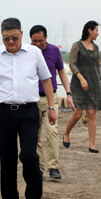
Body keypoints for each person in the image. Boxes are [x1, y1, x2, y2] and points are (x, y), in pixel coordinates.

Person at [0, 18, 55, 199]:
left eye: (14, 37)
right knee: (7, 158)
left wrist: (52, 107)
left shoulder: (34, 53)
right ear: (1, 37)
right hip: (4, 113)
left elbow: (47, 80)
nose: (10, 41)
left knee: (29, 155)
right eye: (6, 38)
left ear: (21, 34)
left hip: (29, 111)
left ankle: (34, 198)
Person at [30, 25, 74, 180]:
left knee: (52, 132)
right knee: (34, 135)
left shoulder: (54, 50)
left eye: (40, 41)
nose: (37, 44)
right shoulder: (27, 52)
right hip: (32, 99)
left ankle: (54, 167)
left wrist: (68, 93)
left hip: (51, 98)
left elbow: (61, 71)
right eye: (34, 41)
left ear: (46, 38)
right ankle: (39, 167)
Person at [63, 21, 101, 153]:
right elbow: (72, 64)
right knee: (77, 113)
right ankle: (66, 133)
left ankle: (92, 145)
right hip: (78, 83)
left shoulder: (96, 47)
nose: (98, 33)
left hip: (93, 83)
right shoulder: (77, 45)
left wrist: (99, 82)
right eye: (96, 30)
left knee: (91, 114)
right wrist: (81, 78)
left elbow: (97, 66)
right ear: (89, 30)